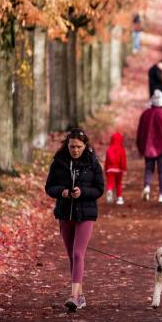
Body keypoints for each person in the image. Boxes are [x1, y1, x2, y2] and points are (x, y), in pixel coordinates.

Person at [45, 127, 104, 312]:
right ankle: (81, 295)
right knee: (72, 256)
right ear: (67, 145)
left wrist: (83, 192)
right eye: (72, 147)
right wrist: (62, 192)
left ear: (85, 145)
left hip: (85, 213)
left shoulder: (92, 162)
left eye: (79, 147)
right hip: (65, 213)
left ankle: (74, 296)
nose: (75, 150)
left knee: (79, 254)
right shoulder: (59, 162)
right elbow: (49, 187)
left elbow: (99, 189)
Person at [136, 89, 162, 203]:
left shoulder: (145, 114)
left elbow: (140, 131)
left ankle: (147, 187)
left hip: (148, 147)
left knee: (149, 169)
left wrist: (140, 146)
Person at [104, 131, 127, 206]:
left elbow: (106, 161)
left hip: (110, 169)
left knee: (110, 183)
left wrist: (106, 169)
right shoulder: (121, 149)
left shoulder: (109, 149)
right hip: (118, 170)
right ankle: (119, 198)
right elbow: (123, 160)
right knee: (118, 184)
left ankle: (110, 191)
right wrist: (124, 169)